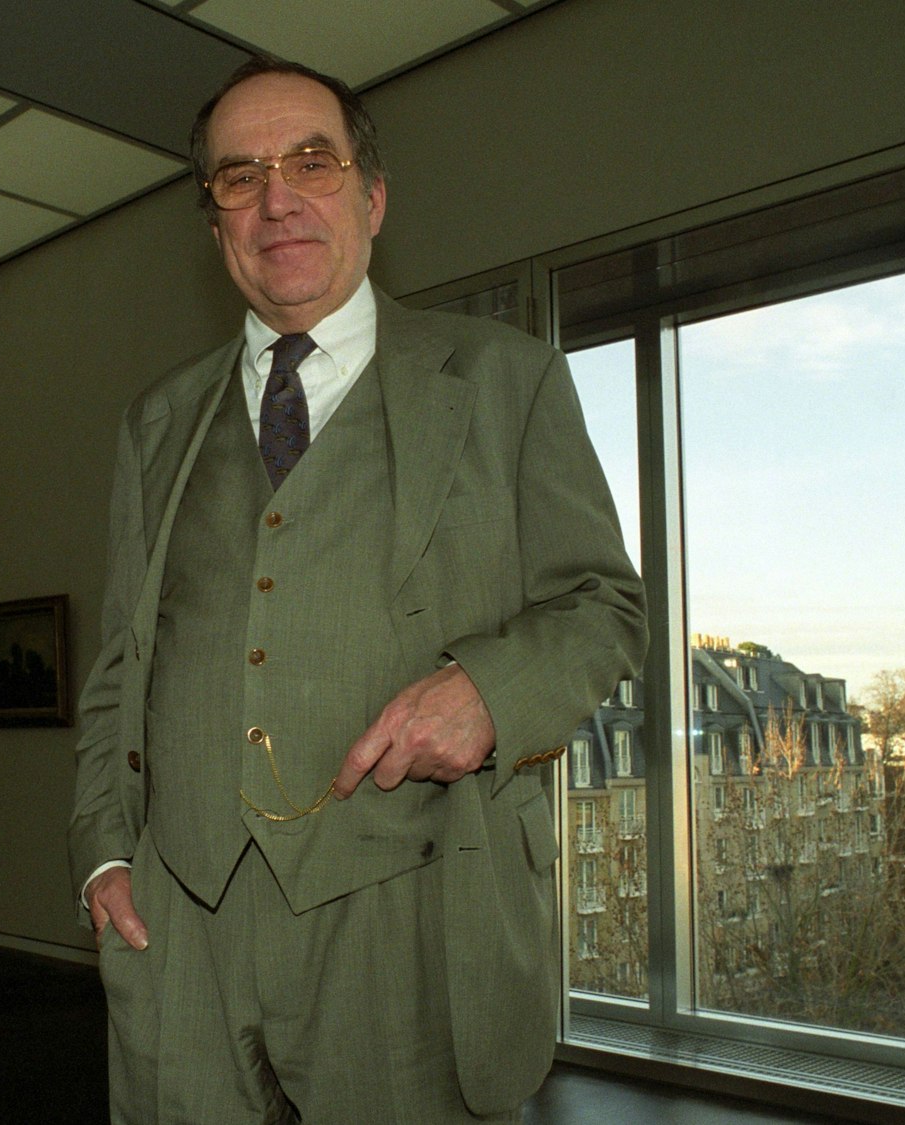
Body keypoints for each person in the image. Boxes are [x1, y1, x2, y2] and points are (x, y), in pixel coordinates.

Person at [67, 55, 645, 1124]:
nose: (275, 197)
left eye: (311, 162)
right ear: (214, 222)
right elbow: (118, 665)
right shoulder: (156, 421)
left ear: (371, 199)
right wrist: (103, 850)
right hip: (181, 926)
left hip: (415, 914)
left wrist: (485, 693)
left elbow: (602, 608)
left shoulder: (504, 381)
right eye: (236, 177)